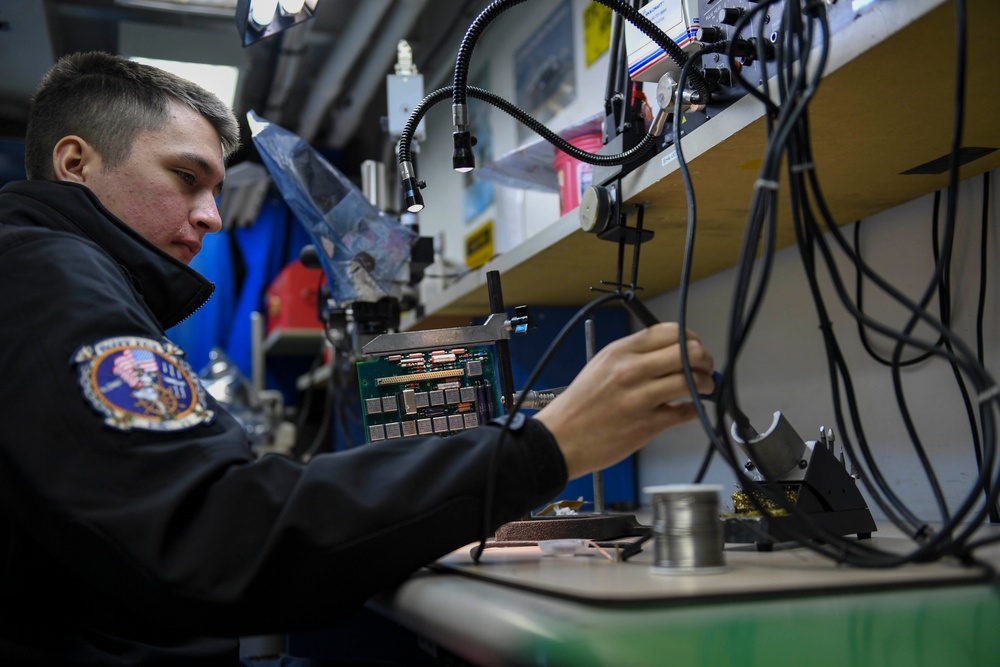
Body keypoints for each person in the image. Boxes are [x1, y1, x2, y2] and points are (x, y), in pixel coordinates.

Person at [0, 52, 715, 665]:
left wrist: (437, 518)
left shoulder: (53, 277)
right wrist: (546, 445)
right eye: (187, 177)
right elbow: (222, 532)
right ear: (75, 162)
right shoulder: (49, 280)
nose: (212, 216)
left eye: (217, 189)